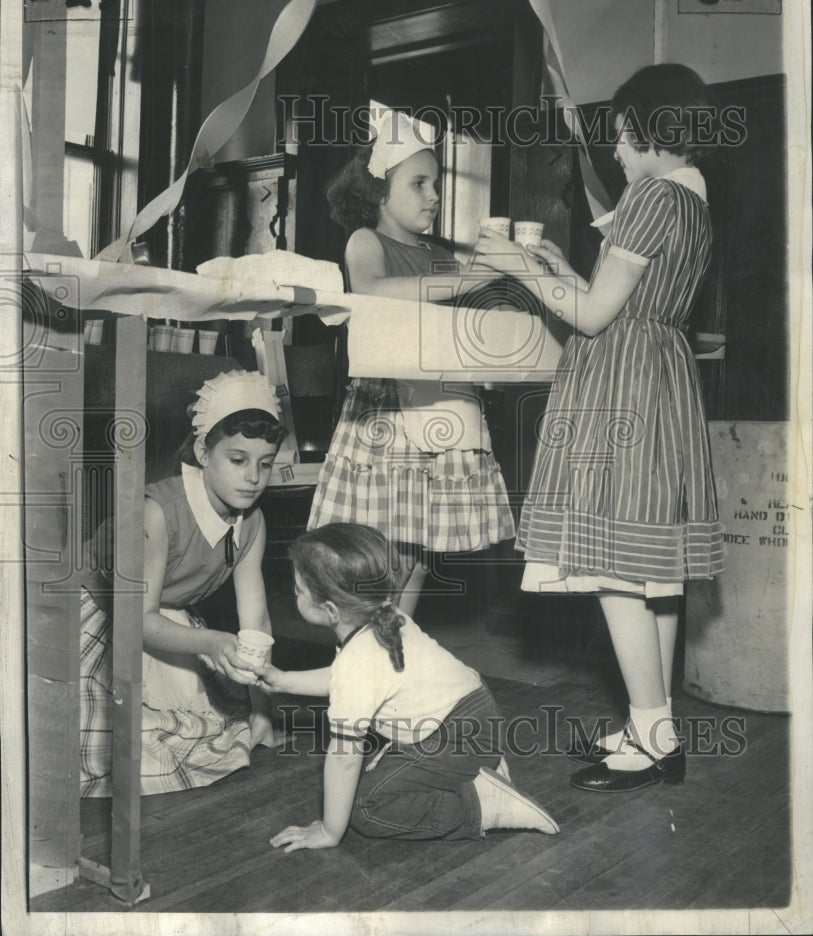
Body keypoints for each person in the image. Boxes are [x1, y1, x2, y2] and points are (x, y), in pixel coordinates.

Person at [473, 64, 725, 792]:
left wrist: (519, 267)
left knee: (611, 563)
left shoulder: (649, 195)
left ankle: (651, 739)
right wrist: (557, 263)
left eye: (620, 134)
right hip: (662, 375)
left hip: (622, 382)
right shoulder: (693, 202)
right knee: (655, 568)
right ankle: (658, 724)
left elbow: (589, 316)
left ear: (652, 131)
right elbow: (621, 298)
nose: (615, 150)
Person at [307, 109, 515, 617]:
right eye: (418, 183)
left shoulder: (440, 256)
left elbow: (465, 320)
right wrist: (463, 280)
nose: (434, 196)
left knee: (419, 549)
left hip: (440, 403)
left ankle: (395, 636)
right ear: (379, 192)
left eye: (437, 184)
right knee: (382, 544)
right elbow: (376, 292)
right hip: (387, 411)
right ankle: (361, 647)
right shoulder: (366, 242)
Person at [259, 523, 559, 850]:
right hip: (475, 717)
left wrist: (330, 831)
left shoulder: (357, 661)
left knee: (366, 810)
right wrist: (284, 679)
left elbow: (344, 756)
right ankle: (476, 768)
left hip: (456, 735)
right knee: (373, 774)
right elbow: (342, 679)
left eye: (299, 590)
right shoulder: (385, 615)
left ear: (330, 610)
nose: (294, 593)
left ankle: (483, 805)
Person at [79, 369, 287, 796]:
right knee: (107, 741)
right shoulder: (157, 513)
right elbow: (137, 619)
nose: (253, 477)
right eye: (238, 460)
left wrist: (262, 713)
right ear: (203, 452)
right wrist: (210, 642)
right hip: (98, 612)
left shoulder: (253, 522)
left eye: (265, 464)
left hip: (163, 616)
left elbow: (256, 620)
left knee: (211, 728)